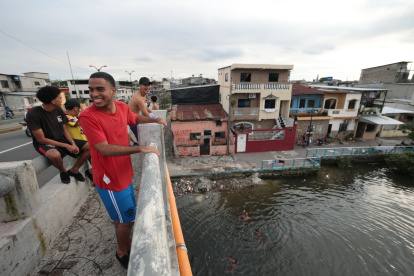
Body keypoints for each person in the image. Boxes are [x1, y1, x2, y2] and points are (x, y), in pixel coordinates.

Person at [78, 72, 166, 269]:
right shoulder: (88, 116)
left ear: (113, 90)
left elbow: (134, 119)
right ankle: (121, 251)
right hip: (110, 180)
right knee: (127, 220)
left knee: (124, 219)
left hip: (125, 173)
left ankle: (126, 243)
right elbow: (103, 148)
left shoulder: (121, 107)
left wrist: (155, 120)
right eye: (91, 90)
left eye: (100, 89)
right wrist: (141, 148)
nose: (94, 94)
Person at [26, 86, 91, 184]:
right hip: (45, 143)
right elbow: (41, 139)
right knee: (54, 155)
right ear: (53, 101)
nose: (62, 100)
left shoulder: (59, 110)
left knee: (92, 146)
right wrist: (66, 146)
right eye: (60, 98)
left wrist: (72, 143)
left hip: (61, 140)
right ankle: (62, 170)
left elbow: (64, 129)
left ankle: (74, 169)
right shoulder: (33, 114)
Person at [64, 99, 93, 182]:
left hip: (85, 145)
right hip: (79, 146)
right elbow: (85, 121)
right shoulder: (66, 117)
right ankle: (78, 170)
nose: (79, 111)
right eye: (79, 109)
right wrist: (84, 110)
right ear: (76, 108)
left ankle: (92, 175)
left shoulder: (74, 117)